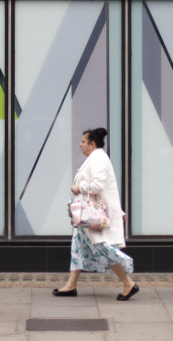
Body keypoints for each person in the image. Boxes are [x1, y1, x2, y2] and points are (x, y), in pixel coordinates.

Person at [53, 127, 139, 300]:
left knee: (102, 249)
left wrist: (79, 187)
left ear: (92, 144)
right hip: (85, 216)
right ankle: (71, 285)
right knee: (77, 248)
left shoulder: (98, 159)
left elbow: (99, 185)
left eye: (83, 142)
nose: (80, 144)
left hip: (91, 216)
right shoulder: (96, 157)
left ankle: (128, 283)